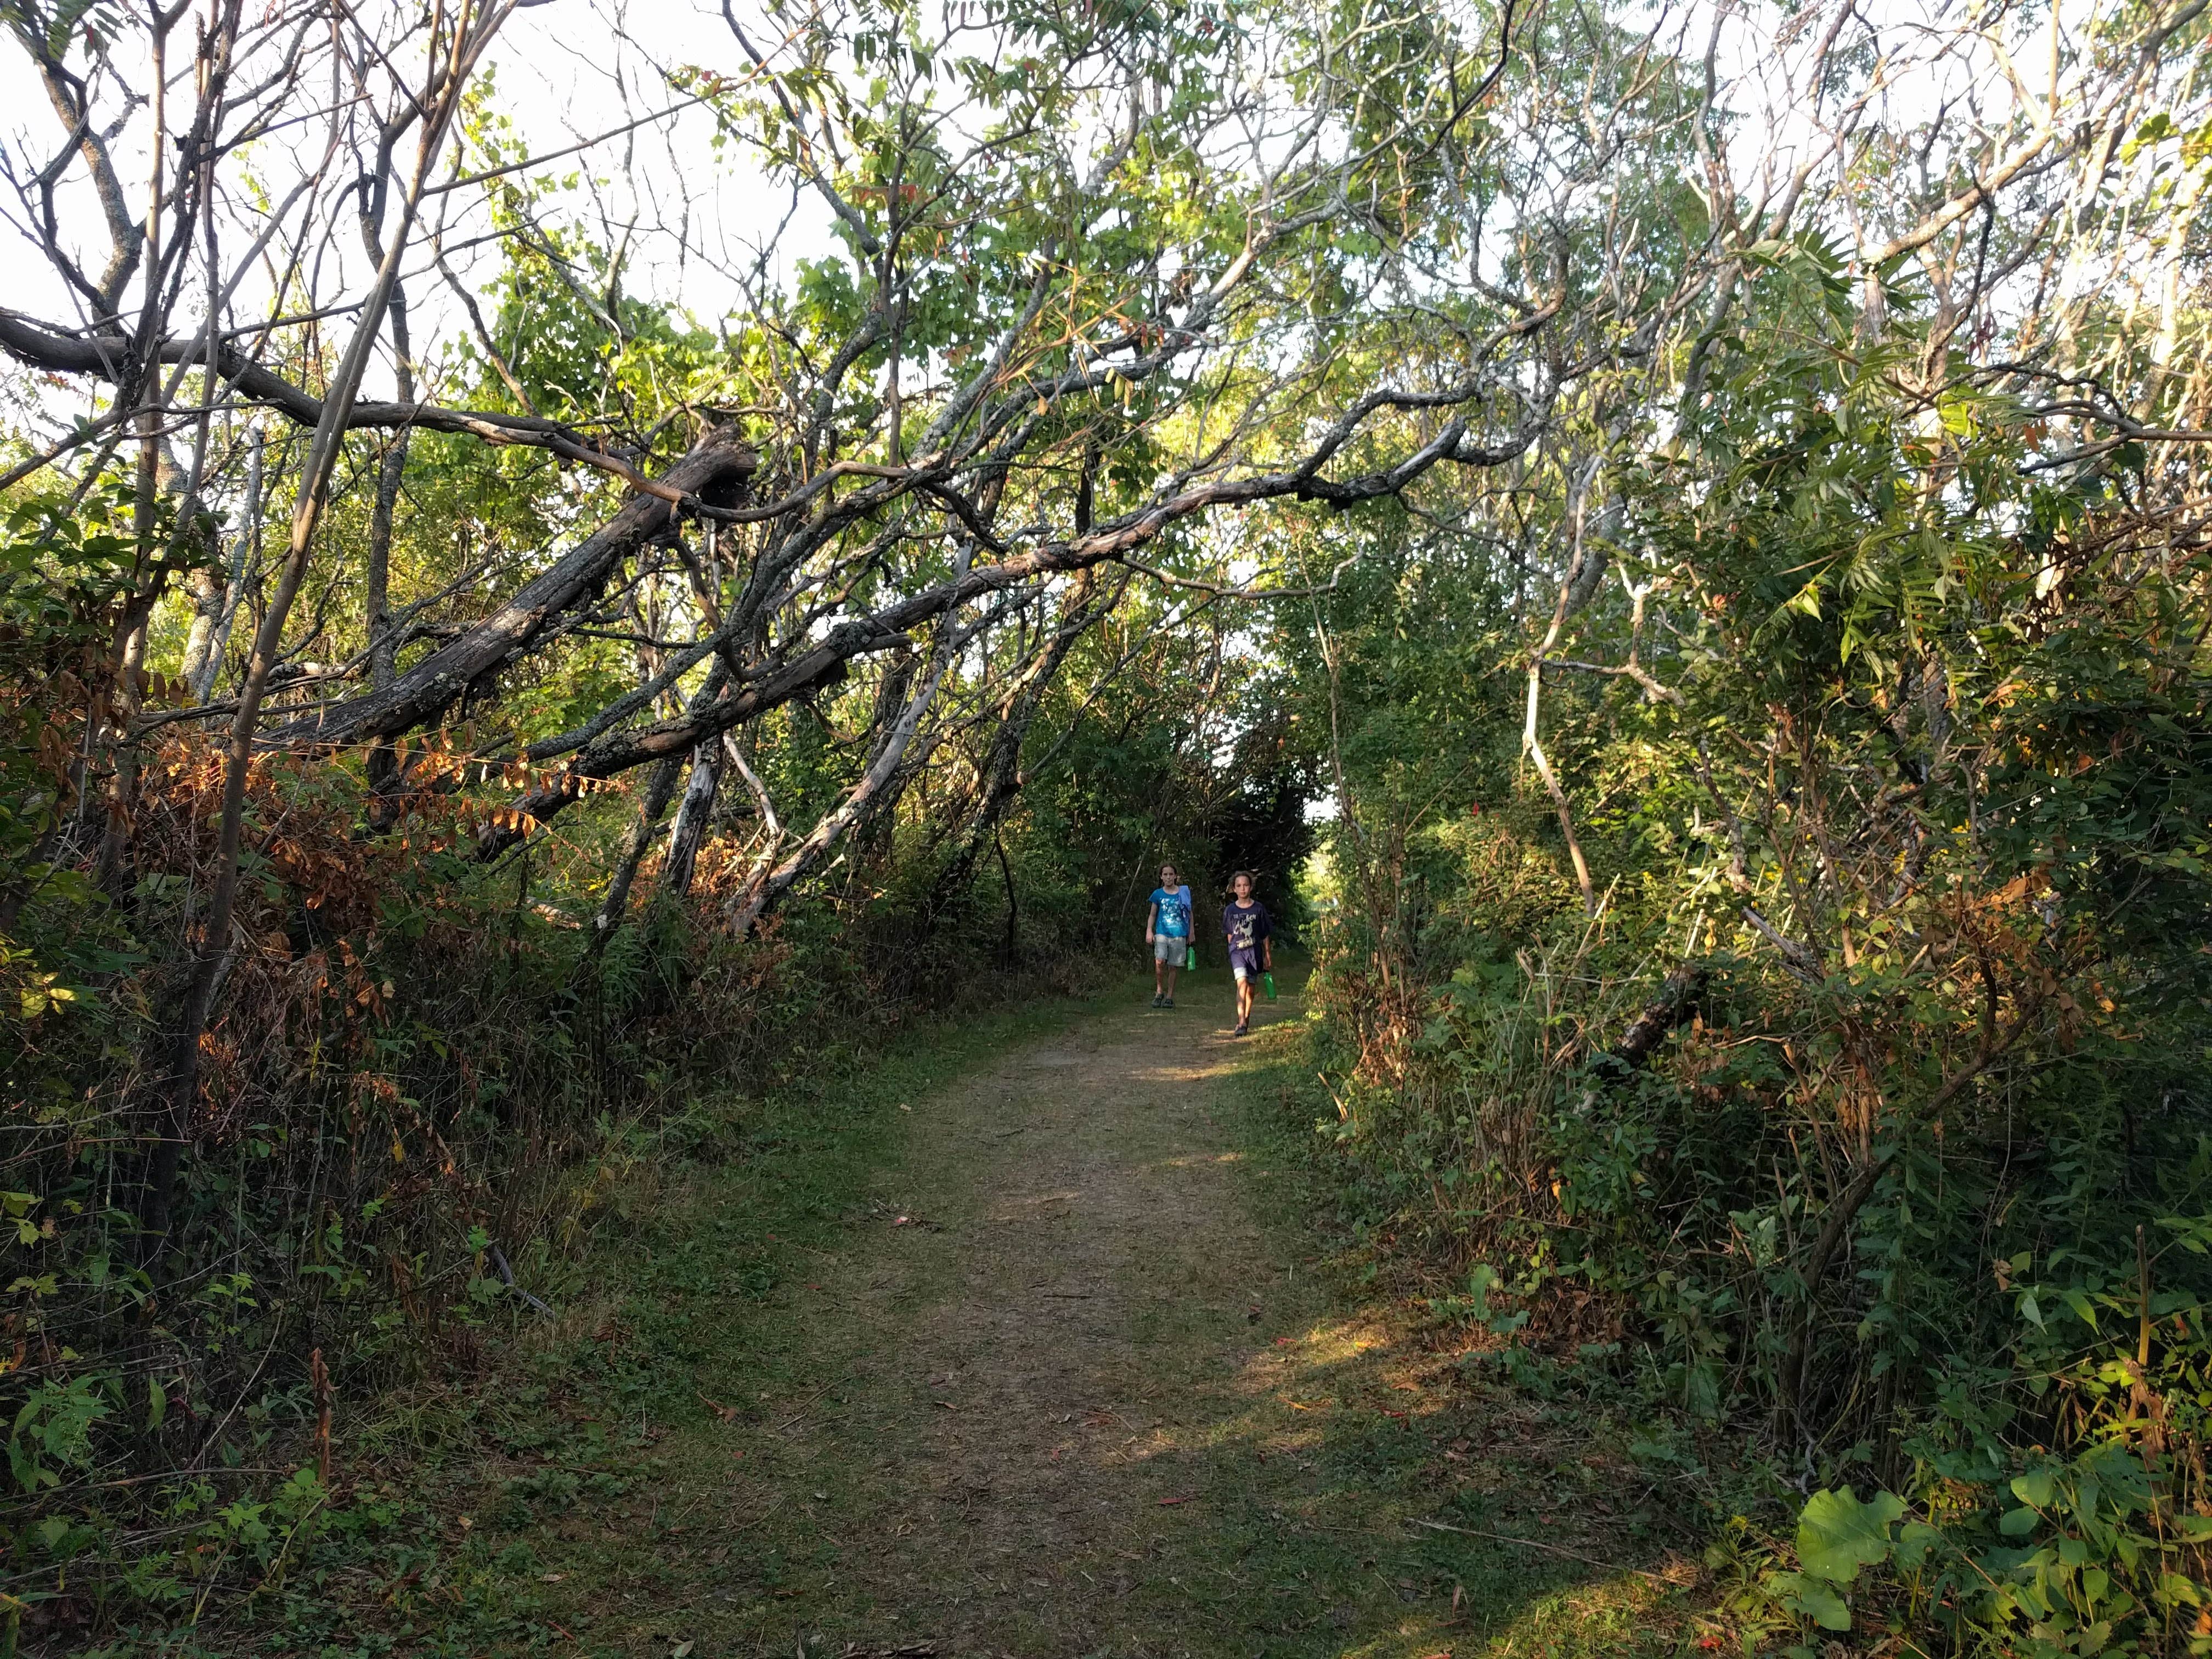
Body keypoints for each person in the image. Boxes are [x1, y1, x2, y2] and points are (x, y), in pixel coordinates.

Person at [1221, 871, 1273, 1037]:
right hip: (1237, 953)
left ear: (1250, 887)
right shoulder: (1230, 910)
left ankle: (1247, 1017)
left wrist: (1267, 955)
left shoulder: (1258, 909)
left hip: (1254, 953)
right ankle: (1241, 1021)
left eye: (1245, 885)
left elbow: (1264, 934)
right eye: (1239, 886)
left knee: (1250, 989)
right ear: (1234, 889)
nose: (1242, 889)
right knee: (1241, 983)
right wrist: (1232, 951)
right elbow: (1229, 934)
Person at [1144, 863, 1194, 1007]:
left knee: (1173, 966)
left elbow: (1190, 913)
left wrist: (1191, 932)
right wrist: (1149, 930)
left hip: (1179, 933)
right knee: (1160, 961)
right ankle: (1159, 991)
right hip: (1162, 933)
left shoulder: (1183, 892)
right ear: (1161, 877)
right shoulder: (1158, 894)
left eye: (1171, 874)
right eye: (1165, 874)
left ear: (1176, 876)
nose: (1168, 877)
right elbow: (1153, 914)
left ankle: (1169, 996)